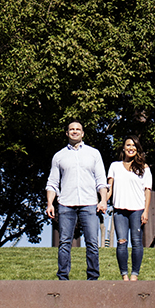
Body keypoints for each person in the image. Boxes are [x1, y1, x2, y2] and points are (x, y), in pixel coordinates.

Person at [45, 120, 108, 280]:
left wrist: (103, 200)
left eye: (78, 129)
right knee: (65, 242)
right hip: (66, 204)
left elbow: (101, 180)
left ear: (83, 133)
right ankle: (63, 278)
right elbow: (52, 182)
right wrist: (50, 203)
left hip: (89, 203)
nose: (74, 131)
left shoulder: (93, 154)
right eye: (71, 129)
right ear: (67, 133)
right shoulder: (59, 156)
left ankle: (93, 278)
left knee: (92, 242)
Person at [107, 136, 153, 281]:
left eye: (134, 146)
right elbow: (109, 189)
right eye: (128, 145)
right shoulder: (114, 166)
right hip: (120, 209)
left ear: (137, 149)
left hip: (137, 209)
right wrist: (102, 201)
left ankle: (134, 275)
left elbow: (147, 190)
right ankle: (124, 275)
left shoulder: (144, 168)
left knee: (136, 241)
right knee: (121, 241)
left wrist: (145, 211)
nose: (131, 148)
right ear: (123, 148)